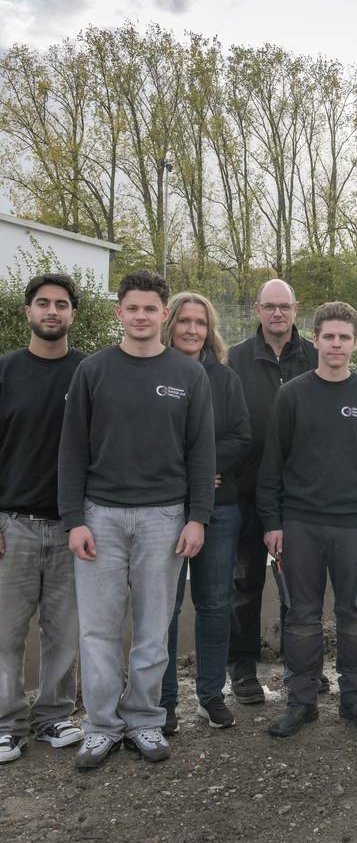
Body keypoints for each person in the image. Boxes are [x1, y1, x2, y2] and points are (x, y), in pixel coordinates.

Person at [59, 270, 215, 770]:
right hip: (99, 518)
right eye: (133, 307)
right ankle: (101, 726)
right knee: (98, 631)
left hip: (164, 519)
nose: (142, 316)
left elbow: (202, 454)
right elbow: (71, 450)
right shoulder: (93, 371)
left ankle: (145, 719)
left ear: (163, 315)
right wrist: (73, 520)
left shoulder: (190, 376)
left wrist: (198, 518)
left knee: (152, 628)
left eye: (151, 308)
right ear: (119, 312)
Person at [258, 302, 357, 737]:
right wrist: (272, 522)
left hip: (354, 527)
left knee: (354, 616)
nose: (336, 344)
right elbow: (271, 466)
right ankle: (302, 702)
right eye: (329, 336)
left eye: (345, 337)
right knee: (301, 617)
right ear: (314, 339)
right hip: (300, 525)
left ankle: (356, 700)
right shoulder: (293, 394)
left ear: (356, 343)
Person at [0, 274, 86, 765]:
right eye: (42, 303)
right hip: (14, 524)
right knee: (6, 634)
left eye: (60, 304)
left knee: (63, 632)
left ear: (73, 312)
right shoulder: (7, 372)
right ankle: (7, 724)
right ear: (28, 311)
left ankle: (53, 716)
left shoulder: (89, 373)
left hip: (72, 526)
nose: (51, 311)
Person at [159, 292, 251, 734]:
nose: (192, 330)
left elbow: (240, 437)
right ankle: (164, 701)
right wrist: (189, 476)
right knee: (166, 606)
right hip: (165, 506)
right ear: (170, 324)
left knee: (215, 602)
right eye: (184, 321)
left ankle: (211, 695)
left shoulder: (224, 379)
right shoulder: (154, 374)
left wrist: (206, 471)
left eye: (200, 322)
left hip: (221, 506)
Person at [227, 278, 317, 704]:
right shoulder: (235, 360)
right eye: (270, 306)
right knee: (244, 585)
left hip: (299, 495)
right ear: (257, 309)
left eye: (285, 306)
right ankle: (243, 671)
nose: (277, 313)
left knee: (296, 587)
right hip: (244, 491)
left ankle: (299, 670)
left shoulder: (316, 356)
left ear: (296, 309)